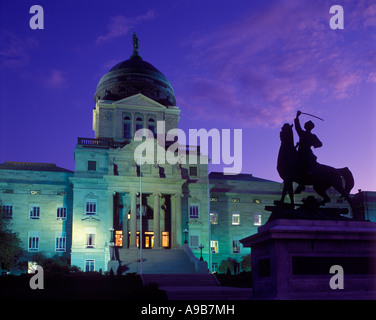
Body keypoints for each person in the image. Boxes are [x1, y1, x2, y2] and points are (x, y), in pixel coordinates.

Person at [294, 110, 322, 193]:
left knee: (305, 163)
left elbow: (320, 144)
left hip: (306, 153)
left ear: (309, 127)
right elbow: (297, 127)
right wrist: (296, 117)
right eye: (306, 125)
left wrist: (313, 144)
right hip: (299, 151)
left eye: (307, 125)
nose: (306, 126)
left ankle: (303, 182)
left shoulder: (310, 135)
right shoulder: (303, 133)